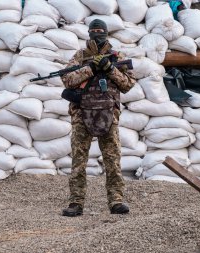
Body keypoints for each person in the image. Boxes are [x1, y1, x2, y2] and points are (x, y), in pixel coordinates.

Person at [61, 19, 136, 217]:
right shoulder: (80, 56)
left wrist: (110, 68)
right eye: (93, 31)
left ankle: (116, 200)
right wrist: (91, 69)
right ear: (88, 33)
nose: (97, 34)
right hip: (81, 114)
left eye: (100, 31)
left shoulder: (116, 56)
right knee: (79, 161)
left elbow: (128, 85)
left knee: (112, 161)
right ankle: (76, 203)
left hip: (108, 114)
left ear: (106, 33)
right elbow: (68, 80)